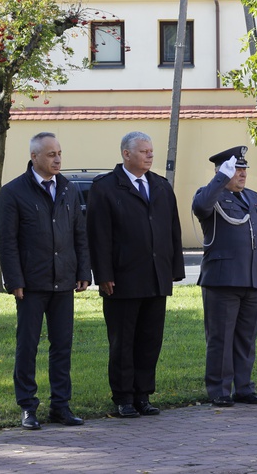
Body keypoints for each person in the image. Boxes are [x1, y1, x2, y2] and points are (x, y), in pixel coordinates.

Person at [86, 131, 185, 417]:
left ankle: (143, 394)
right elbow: (98, 236)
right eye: (144, 151)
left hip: (156, 277)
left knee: (150, 339)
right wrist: (103, 275)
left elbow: (173, 231)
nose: (150, 155)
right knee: (123, 341)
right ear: (126, 154)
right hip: (122, 279)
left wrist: (174, 270)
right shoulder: (105, 188)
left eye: (151, 151)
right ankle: (123, 397)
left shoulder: (161, 186)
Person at [0, 132, 91, 430]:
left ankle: (60, 406)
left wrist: (82, 272)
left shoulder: (68, 189)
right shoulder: (14, 192)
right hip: (31, 284)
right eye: (51, 154)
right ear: (34, 157)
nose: (58, 159)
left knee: (62, 346)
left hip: (64, 281)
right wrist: (14, 280)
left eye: (60, 153)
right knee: (28, 346)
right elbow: (6, 241)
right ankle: (28, 406)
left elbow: (79, 233)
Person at [193, 146, 257, 407]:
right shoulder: (210, 196)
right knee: (221, 338)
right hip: (222, 279)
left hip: (251, 279)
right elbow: (200, 207)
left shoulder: (255, 198)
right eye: (236, 169)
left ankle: (244, 387)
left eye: (244, 169)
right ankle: (219, 389)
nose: (242, 174)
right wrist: (219, 179)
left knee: (246, 339)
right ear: (223, 171)